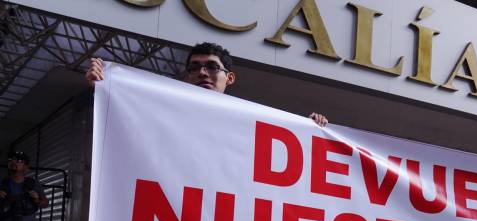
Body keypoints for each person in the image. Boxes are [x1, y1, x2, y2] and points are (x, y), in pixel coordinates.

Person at [85, 41, 328, 126]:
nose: (202, 73)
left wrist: (313, 130)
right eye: (194, 67)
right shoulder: (164, 110)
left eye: (211, 67)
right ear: (187, 76)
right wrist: (103, 89)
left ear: (229, 78)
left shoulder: (250, 119)